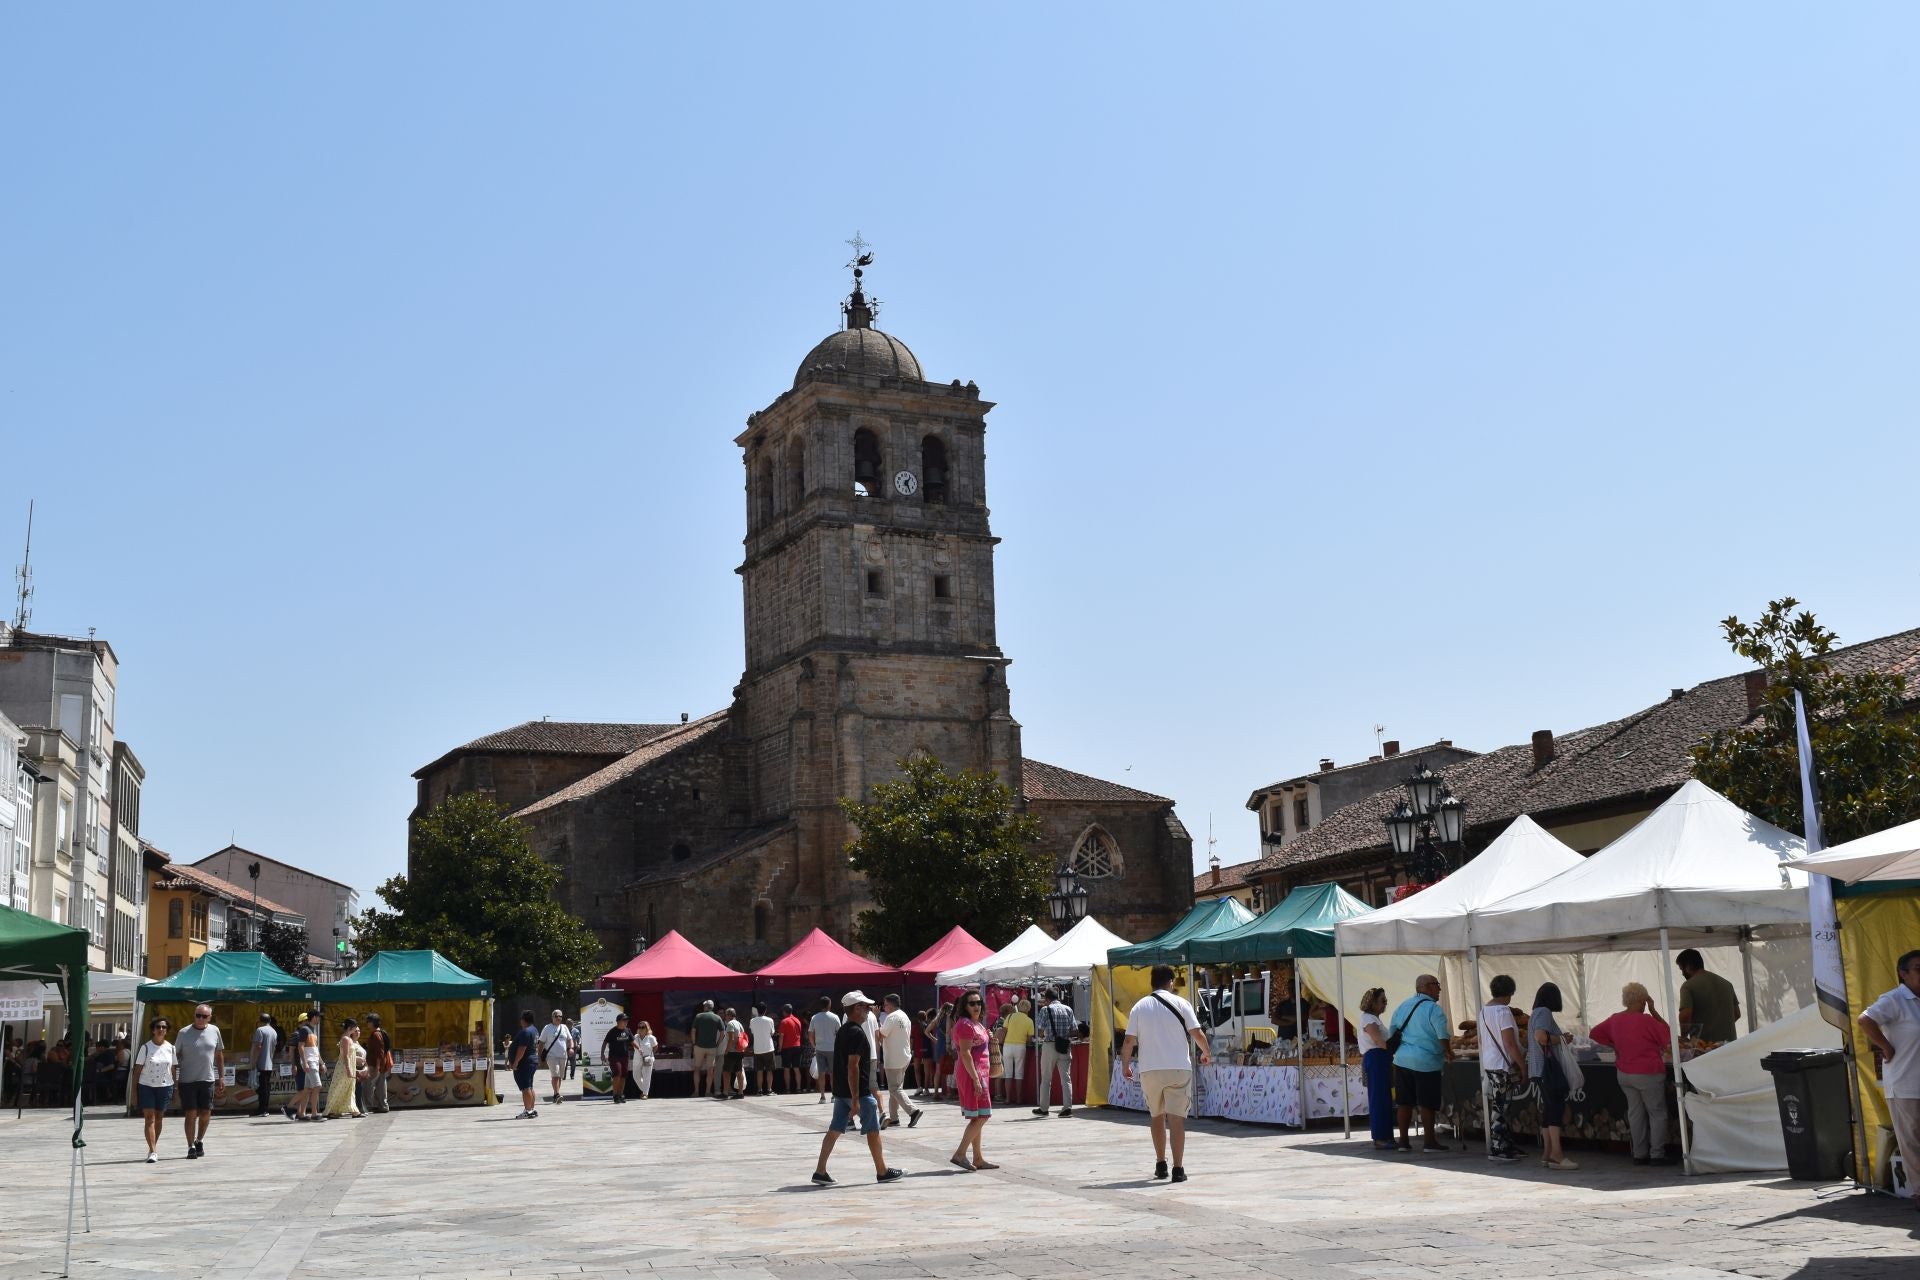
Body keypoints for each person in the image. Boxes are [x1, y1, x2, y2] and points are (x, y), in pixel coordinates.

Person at [1120, 963, 1211, 1182]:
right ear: (1170, 982)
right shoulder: (1182, 1003)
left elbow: (1129, 1040)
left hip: (1150, 1068)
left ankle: (1161, 1164)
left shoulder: (1139, 1007)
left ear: (1152, 982)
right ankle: (1178, 1169)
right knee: (1177, 1120)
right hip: (1178, 1067)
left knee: (1156, 1116)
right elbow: (1196, 1033)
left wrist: (1125, 1065)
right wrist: (1206, 1052)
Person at [810, 991, 903, 1185]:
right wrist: (855, 1098)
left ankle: (820, 1171)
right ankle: (882, 1171)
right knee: (873, 1130)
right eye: (866, 1007)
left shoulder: (845, 1030)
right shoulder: (857, 1033)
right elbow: (853, 1066)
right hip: (858, 1092)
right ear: (857, 1008)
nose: (870, 1010)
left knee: (835, 1129)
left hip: (842, 1090)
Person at [1859, 948, 1920, 1213]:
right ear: (1903, 974)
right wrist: (1885, 1046)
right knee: (1913, 1140)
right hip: (1907, 1082)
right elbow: (1865, 1019)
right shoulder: (1896, 999)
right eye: (1919, 969)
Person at [1591, 982, 1674, 1165]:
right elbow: (1669, 1034)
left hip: (1624, 1073)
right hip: (1648, 1072)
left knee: (1635, 1114)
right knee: (1657, 1113)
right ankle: (1657, 1154)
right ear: (1644, 1000)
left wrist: (1615, 1045)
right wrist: (1654, 1011)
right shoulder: (1647, 1020)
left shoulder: (1614, 1019)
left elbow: (1594, 1033)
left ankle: (1639, 1154)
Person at [1388, 974, 1452, 1153]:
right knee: (1427, 1103)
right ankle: (1429, 1142)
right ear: (1425, 986)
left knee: (1404, 1102)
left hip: (1402, 1060)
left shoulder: (1403, 1005)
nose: (1439, 989)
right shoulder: (1433, 1009)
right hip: (1427, 1061)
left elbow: (1392, 1031)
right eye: (1436, 985)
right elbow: (1442, 1035)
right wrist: (1448, 1052)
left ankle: (1403, 1142)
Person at [1529, 982, 1578, 1171]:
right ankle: (1557, 1155)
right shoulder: (1544, 1013)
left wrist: (1560, 1038)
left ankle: (1547, 1153)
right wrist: (1562, 1039)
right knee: (1555, 1110)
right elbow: (1541, 1037)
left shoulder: (1535, 1013)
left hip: (1538, 1070)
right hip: (1547, 1069)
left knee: (1548, 1111)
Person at [1479, 975, 1527, 1162]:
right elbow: (1509, 1043)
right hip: (1503, 1065)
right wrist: (1522, 1066)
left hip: (1490, 1063)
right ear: (1509, 993)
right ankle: (1498, 1147)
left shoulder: (1484, 1010)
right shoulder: (1503, 1012)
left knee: (1501, 1104)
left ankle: (1506, 1143)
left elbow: (1484, 1040)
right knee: (1501, 1106)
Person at [948, 992, 997, 1170]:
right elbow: (965, 1053)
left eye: (978, 1002)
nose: (976, 1006)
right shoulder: (965, 1025)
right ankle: (960, 1154)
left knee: (978, 1116)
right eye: (971, 1003)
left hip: (980, 1074)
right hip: (973, 1074)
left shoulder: (976, 1024)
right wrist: (976, 1079)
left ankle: (978, 1158)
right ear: (964, 1006)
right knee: (983, 1116)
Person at [175, 1003, 225, 1159]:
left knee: (205, 1113)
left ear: (209, 1017)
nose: (200, 1019)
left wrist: (221, 1076)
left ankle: (199, 1140)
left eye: (204, 1016)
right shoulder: (183, 1033)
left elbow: (219, 1055)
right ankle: (190, 1146)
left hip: (207, 1079)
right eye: (198, 1015)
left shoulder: (215, 1030)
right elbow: (175, 1056)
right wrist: (173, 1078)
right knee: (190, 1113)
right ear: (194, 1015)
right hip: (187, 1080)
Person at [133, 1017, 177, 1164]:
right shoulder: (145, 1048)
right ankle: (153, 1151)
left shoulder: (171, 1048)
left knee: (159, 1117)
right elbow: (137, 1071)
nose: (161, 1029)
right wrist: (134, 1093)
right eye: (158, 1027)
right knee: (149, 1118)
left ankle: (153, 1145)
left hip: (165, 1086)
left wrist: (175, 1089)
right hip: (146, 1086)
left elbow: (173, 1069)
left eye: (164, 1027)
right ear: (153, 1030)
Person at [1356, 988, 1395, 1151]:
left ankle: (1385, 1135)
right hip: (1377, 1058)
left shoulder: (1373, 1018)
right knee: (1379, 1099)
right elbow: (1380, 1042)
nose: (1385, 1004)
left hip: (1381, 1059)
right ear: (1373, 1002)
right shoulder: (1369, 1019)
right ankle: (1380, 1137)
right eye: (1382, 1000)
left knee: (1385, 1099)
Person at [1676, 949, 1741, 1043]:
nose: (1682, 974)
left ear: (1689, 966)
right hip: (1730, 1045)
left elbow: (1685, 1016)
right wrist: (1720, 1028)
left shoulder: (1688, 986)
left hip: (1706, 1048)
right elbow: (1737, 1014)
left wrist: (1684, 1037)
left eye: (1682, 969)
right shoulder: (1727, 984)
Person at [879, 993, 922, 1129]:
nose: (884, 1008)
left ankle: (913, 1111)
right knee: (896, 1088)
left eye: (885, 1005)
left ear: (890, 1005)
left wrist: (875, 1020)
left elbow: (881, 1034)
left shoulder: (891, 1017)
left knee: (894, 1088)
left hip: (894, 1057)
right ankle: (894, 1118)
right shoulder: (904, 1016)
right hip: (904, 1056)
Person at [1033, 989, 1077, 1117]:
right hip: (1064, 1046)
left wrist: (1047, 1035)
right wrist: (1062, 1036)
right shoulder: (1068, 1009)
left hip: (1049, 1045)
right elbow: (1075, 1031)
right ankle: (1067, 1107)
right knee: (1066, 1078)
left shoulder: (1045, 1010)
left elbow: (1040, 1031)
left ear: (1047, 999)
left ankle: (1044, 1108)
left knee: (1046, 1078)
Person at [286, 1010, 325, 1122]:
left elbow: (315, 1049)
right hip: (310, 1062)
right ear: (314, 1017)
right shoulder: (304, 1030)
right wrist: (305, 1062)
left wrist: (322, 1063)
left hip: (314, 1062)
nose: (319, 1019)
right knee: (317, 1086)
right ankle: (314, 1114)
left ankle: (294, 1110)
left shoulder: (312, 1030)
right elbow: (300, 1047)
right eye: (318, 1017)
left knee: (308, 1088)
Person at [325, 1020, 365, 1118]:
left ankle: (353, 1111)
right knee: (339, 1087)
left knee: (349, 1088)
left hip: (348, 1067)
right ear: (351, 1027)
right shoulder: (345, 1039)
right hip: (344, 1068)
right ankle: (331, 1111)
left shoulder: (348, 1039)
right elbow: (345, 1056)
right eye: (355, 1027)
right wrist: (348, 1069)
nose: (356, 1030)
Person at [808, 996, 841, 1103]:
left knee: (821, 1073)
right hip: (832, 1048)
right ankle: (834, 1095)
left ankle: (822, 1096)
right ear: (829, 1004)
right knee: (833, 1073)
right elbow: (839, 1033)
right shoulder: (835, 1017)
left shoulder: (814, 1017)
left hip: (820, 1048)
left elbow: (810, 1033)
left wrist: (814, 1045)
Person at [1001, 997, 1033, 1104]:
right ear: (1028, 1009)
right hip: (1020, 1047)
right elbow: (1029, 1039)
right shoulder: (1029, 1021)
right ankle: (1019, 1099)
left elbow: (1004, 1031)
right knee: (1019, 1073)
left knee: (1008, 1073)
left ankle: (1008, 1098)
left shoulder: (1009, 1016)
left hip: (1007, 1046)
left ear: (1018, 1007)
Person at [509, 1011, 541, 1118]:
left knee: (526, 1088)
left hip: (524, 1063)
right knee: (530, 1086)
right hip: (532, 1062)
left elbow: (522, 1049)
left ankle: (528, 1111)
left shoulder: (525, 1032)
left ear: (523, 1020)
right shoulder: (534, 1030)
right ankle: (531, 1109)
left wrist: (515, 1062)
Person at [692, 1000, 726, 1100]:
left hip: (699, 1046)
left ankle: (696, 1092)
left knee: (697, 1069)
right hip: (712, 1047)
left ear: (705, 1007)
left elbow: (693, 1030)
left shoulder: (698, 1016)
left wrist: (694, 1042)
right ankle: (708, 1092)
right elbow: (723, 1032)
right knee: (710, 1070)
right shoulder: (717, 1017)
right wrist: (718, 1043)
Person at [538, 1010, 572, 1104]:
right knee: (555, 1075)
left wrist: (571, 1048)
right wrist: (539, 1057)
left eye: (560, 1016)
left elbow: (570, 1039)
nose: (558, 1018)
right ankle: (557, 1094)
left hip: (563, 1056)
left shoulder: (564, 1027)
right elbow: (541, 1043)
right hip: (552, 1056)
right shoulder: (547, 1028)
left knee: (560, 1076)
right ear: (552, 1017)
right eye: (556, 1016)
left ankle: (555, 1095)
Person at [361, 1013, 393, 1114]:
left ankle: (368, 1106)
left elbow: (380, 1052)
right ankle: (383, 1106)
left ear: (373, 1022)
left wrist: (378, 1067)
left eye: (368, 1022)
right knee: (380, 1086)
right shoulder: (380, 1033)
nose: (367, 1024)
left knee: (368, 1085)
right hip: (380, 1065)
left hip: (375, 1065)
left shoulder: (375, 1034)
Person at [249, 1013, 278, 1118]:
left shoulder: (260, 1030)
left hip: (261, 1063)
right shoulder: (274, 1032)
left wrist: (253, 1062)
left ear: (260, 1021)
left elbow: (258, 1047)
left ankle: (262, 1109)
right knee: (265, 1088)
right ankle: (264, 1108)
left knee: (261, 1088)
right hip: (269, 1063)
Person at [602, 1013, 636, 1103]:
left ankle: (620, 1094)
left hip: (625, 1057)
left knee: (623, 1075)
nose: (626, 1022)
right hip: (614, 1057)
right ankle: (615, 1095)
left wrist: (639, 1049)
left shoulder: (628, 1030)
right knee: (617, 1072)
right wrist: (602, 1054)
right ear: (618, 1021)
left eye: (627, 1020)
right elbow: (605, 1043)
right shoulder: (612, 1031)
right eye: (624, 1020)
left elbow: (633, 1042)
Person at [749, 1003, 778, 1097]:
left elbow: (752, 1032)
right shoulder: (770, 1020)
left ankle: (760, 1090)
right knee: (769, 1070)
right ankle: (769, 1090)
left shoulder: (752, 1020)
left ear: (757, 1011)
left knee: (759, 1070)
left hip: (757, 1049)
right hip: (768, 1048)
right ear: (765, 1010)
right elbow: (772, 1032)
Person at [777, 1003, 805, 1094]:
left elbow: (781, 1036)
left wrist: (780, 1048)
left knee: (786, 1069)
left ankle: (788, 1089)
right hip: (797, 1046)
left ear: (784, 1012)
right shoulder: (797, 1020)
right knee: (796, 1068)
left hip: (787, 1047)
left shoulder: (784, 1021)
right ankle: (798, 1088)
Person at [721, 1007, 748, 1099]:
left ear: (728, 1015)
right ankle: (740, 1093)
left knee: (726, 1072)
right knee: (739, 1072)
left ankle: (725, 1093)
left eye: (726, 1015)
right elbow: (744, 1037)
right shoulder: (740, 1024)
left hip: (732, 1051)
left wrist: (727, 1050)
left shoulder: (730, 1024)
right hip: (740, 1051)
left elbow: (731, 1039)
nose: (725, 1017)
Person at [929, 1002, 953, 1102]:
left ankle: (935, 1092)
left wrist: (935, 1039)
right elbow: (949, 1032)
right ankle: (948, 1092)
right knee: (949, 1068)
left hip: (939, 1046)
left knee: (938, 1070)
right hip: (947, 1045)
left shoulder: (937, 1019)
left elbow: (926, 1031)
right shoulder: (949, 1018)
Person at [633, 1020, 659, 1099]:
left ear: (647, 1028)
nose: (641, 1028)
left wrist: (651, 1055)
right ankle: (644, 1089)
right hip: (637, 1059)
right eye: (639, 1027)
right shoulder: (635, 1037)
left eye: (643, 1027)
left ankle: (645, 1094)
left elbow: (655, 1046)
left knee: (647, 1076)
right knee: (636, 1077)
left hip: (647, 1059)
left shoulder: (651, 1038)